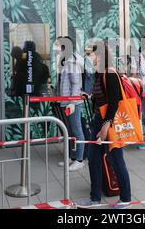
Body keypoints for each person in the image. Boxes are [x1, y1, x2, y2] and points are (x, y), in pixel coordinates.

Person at [80, 41, 131, 207]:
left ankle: (125, 199)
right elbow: (102, 97)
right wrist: (90, 97)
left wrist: (105, 125)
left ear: (100, 55)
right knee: (94, 159)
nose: (90, 57)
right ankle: (95, 198)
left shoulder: (109, 72)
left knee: (116, 160)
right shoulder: (99, 72)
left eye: (91, 54)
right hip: (98, 120)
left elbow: (114, 102)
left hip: (109, 122)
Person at [55, 36, 85, 171]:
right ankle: (72, 157)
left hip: (72, 102)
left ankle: (79, 159)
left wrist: (72, 102)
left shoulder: (72, 61)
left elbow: (76, 83)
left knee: (76, 130)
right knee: (68, 130)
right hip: (64, 101)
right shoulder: (64, 60)